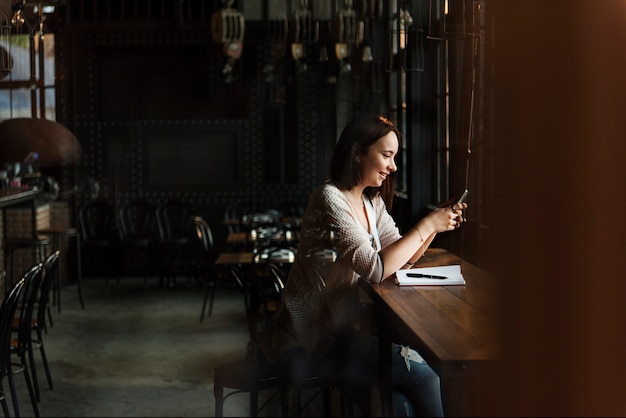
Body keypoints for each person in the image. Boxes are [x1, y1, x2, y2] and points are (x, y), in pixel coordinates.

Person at [268, 113, 467, 416]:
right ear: (357, 153)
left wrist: (436, 225)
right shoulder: (328, 199)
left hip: (344, 334)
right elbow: (376, 268)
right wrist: (426, 225)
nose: (393, 166)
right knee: (424, 374)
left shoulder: (371, 202)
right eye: (387, 155)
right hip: (312, 337)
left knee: (398, 403)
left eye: (394, 157)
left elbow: (401, 258)